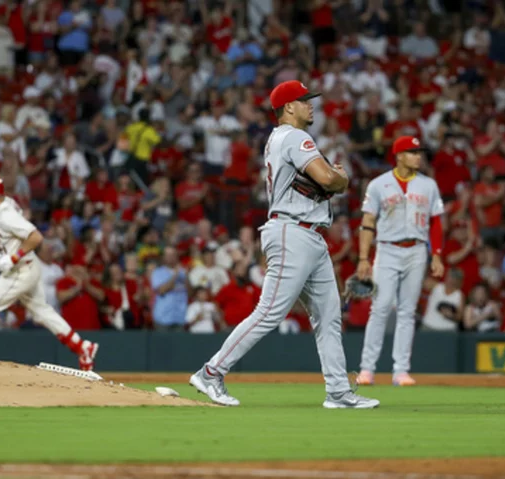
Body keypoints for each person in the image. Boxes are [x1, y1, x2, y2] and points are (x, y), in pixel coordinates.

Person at [189, 80, 379, 409]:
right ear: (289, 107)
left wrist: (333, 181)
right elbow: (328, 179)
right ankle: (211, 372)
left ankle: (338, 392)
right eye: (305, 101)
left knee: (329, 315)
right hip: (293, 231)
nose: (311, 105)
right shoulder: (294, 136)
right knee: (270, 312)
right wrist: (340, 178)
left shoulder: (280, 138)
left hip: (307, 233)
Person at [0, 173, 99, 371]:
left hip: (19, 271)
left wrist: (13, 257)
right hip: (28, 267)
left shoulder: (6, 214)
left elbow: (36, 237)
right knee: (42, 312)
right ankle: (83, 348)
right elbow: (8, 234)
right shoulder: (6, 204)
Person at [355, 135, 445, 387]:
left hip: (416, 250)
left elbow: (436, 222)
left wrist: (436, 253)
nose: (418, 156)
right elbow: (367, 222)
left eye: (419, 152)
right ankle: (367, 369)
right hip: (387, 249)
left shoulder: (428, 185)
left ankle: (401, 371)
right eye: (413, 152)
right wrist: (364, 257)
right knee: (380, 307)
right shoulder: (378, 184)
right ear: (399, 156)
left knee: (407, 312)